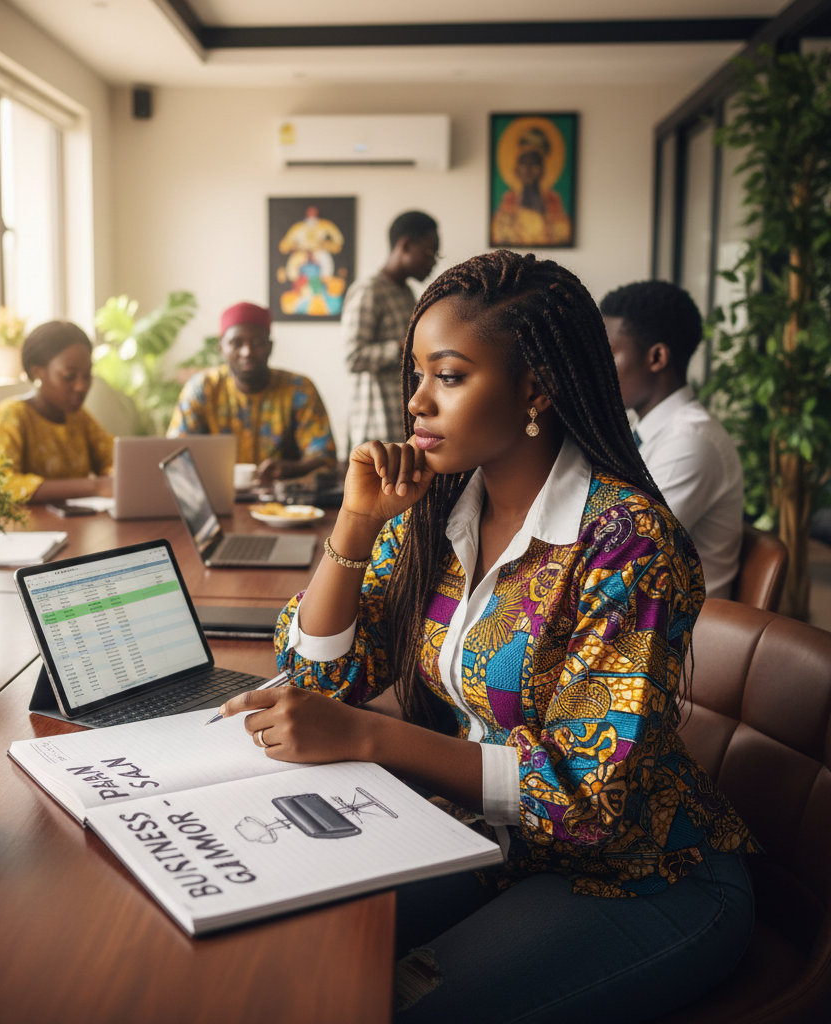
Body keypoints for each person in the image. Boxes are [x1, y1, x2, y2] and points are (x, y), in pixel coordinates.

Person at [215, 252, 757, 1023]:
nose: (417, 405)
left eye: (449, 376)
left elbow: (588, 798)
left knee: (396, 1006)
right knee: (293, 950)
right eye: (416, 375)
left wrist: (370, 737)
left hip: (645, 872)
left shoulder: (627, 542)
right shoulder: (438, 508)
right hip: (490, 840)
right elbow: (320, 679)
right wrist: (357, 522)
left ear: (535, 387)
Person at [601, 280, 744, 598]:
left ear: (657, 358)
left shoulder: (691, 443)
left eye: (607, 355)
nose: (597, 369)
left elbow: (623, 551)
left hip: (684, 636)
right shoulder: (644, 430)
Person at [167, 301, 336, 484]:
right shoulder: (202, 389)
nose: (247, 352)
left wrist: (291, 468)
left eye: (257, 343)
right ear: (221, 347)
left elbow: (325, 459)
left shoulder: (299, 389)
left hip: (284, 503)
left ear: (270, 347)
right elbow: (175, 456)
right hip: (216, 498)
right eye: (236, 343)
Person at [0, 320, 113, 503]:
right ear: (37, 373)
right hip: (27, 529)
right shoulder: (10, 415)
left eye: (87, 375)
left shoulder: (78, 417)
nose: (81, 386)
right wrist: (94, 486)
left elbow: (112, 459)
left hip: (76, 526)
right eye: (69, 376)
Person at [343, 211, 439, 449]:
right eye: (429, 253)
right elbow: (353, 358)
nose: (434, 262)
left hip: (401, 417)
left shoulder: (406, 293)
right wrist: (403, 347)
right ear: (405, 246)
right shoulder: (369, 290)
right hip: (375, 423)